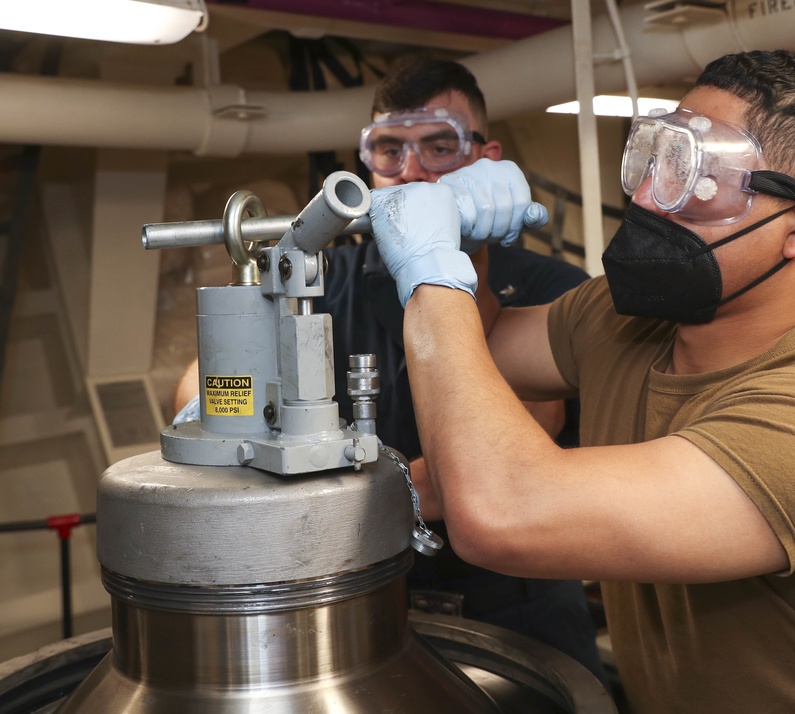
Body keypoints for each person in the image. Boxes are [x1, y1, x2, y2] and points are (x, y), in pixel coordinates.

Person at [365, 50, 795, 712]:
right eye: (657, 157)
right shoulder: (624, 321)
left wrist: (430, 267)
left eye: (696, 175)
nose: (646, 195)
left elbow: (503, 514)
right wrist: (467, 246)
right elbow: (477, 353)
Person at [173, 57, 609, 688]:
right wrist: (214, 415)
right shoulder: (320, 279)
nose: (410, 172)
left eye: (438, 147)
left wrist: (329, 497)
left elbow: (511, 450)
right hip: (366, 608)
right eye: (388, 149)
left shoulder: (555, 290)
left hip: (519, 609)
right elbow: (198, 383)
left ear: (486, 160)